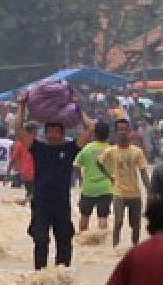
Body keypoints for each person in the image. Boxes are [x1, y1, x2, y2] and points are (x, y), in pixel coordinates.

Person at [16, 94, 95, 270]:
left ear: (62, 134)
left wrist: (77, 107)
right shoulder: (38, 148)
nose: (52, 135)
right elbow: (18, 130)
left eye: (55, 132)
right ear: (45, 133)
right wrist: (21, 105)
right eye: (49, 132)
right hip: (41, 203)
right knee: (40, 240)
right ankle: (40, 275)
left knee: (65, 241)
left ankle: (62, 276)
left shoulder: (69, 149)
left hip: (61, 203)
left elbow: (90, 129)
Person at [100, 118, 151, 247]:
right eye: (120, 130)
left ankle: (135, 248)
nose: (123, 132)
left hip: (135, 193)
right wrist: (109, 176)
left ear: (129, 131)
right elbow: (99, 162)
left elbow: (143, 172)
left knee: (136, 225)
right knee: (118, 222)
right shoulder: (110, 151)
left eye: (125, 129)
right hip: (119, 192)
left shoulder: (137, 151)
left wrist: (150, 189)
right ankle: (115, 248)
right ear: (116, 132)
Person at [74, 121, 114, 233]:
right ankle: (101, 242)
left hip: (88, 188)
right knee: (103, 216)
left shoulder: (87, 148)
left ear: (94, 134)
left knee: (84, 216)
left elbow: (76, 165)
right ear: (108, 134)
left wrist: (81, 179)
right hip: (106, 188)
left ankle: (82, 239)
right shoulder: (111, 150)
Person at [8, 122, 37, 201]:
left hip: (25, 172)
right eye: (36, 131)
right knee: (34, 193)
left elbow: (13, 159)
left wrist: (7, 173)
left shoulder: (20, 143)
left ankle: (26, 203)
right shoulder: (38, 143)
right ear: (33, 131)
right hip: (35, 171)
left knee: (29, 192)